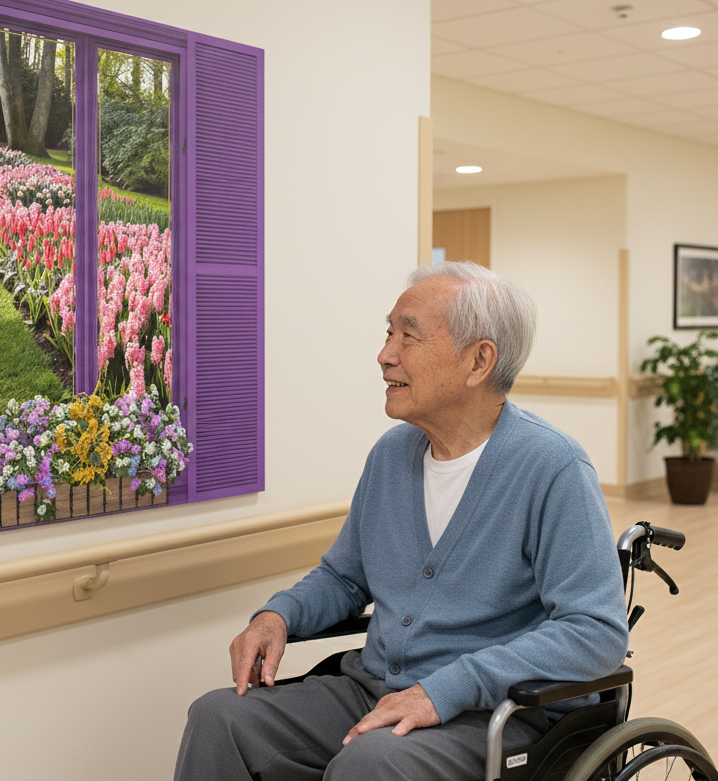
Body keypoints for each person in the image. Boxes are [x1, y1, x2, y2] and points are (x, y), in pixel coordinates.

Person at [175, 261, 628, 780]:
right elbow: (345, 577)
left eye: (408, 336)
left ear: (478, 361)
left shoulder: (553, 468)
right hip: (374, 692)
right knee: (220, 718)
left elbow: (595, 630)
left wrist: (445, 690)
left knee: (372, 764)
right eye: (389, 333)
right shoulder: (392, 455)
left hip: (494, 714)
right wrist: (277, 617)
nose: (385, 354)